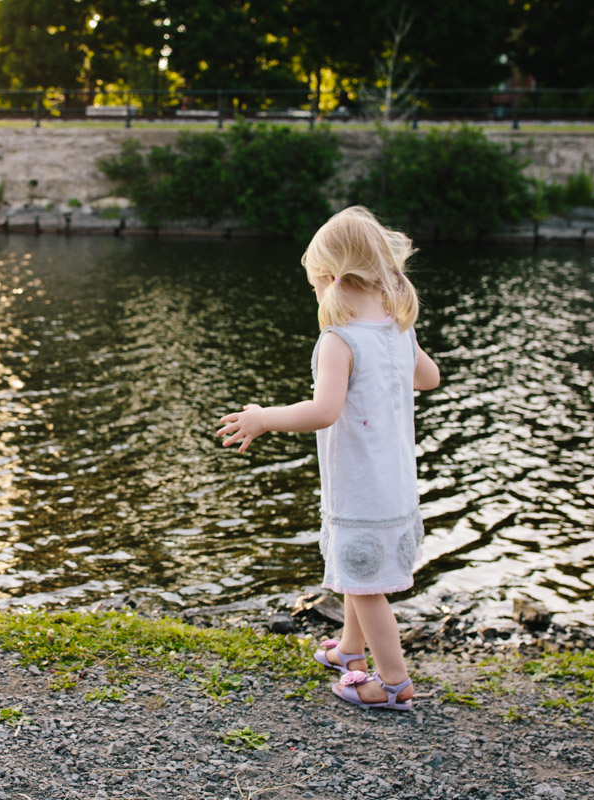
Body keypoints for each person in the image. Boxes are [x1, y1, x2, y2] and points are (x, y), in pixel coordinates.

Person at [217, 206, 440, 711]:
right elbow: (429, 379)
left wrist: (264, 416)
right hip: (398, 485)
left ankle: (393, 683)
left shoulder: (338, 340)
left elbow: (324, 410)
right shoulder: (395, 328)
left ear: (330, 280)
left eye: (315, 285)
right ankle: (348, 649)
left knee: (364, 588)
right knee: (359, 574)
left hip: (362, 487)